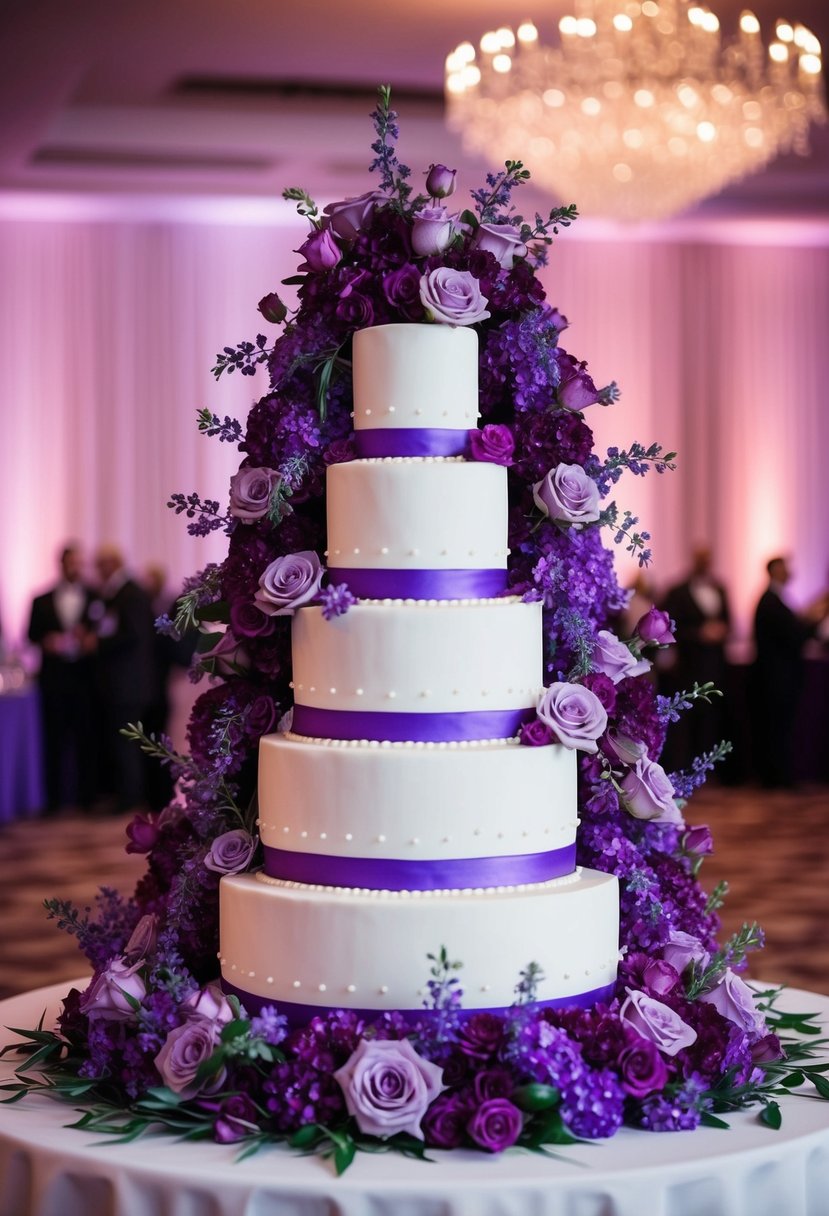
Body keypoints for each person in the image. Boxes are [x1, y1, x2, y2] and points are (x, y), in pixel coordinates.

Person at [27, 543, 98, 812]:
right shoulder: (40, 599)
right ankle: (53, 800)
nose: (76, 567)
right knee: (53, 740)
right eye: (72, 562)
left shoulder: (95, 597)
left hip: (85, 679)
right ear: (61, 564)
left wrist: (89, 639)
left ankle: (86, 799)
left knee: (86, 739)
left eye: (80, 563)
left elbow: (103, 631)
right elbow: (30, 635)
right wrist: (47, 641)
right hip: (53, 679)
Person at [90, 544, 156, 811]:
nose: (97, 570)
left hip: (127, 686)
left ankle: (128, 799)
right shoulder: (119, 593)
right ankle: (125, 796)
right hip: (122, 685)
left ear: (112, 563)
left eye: (100, 564)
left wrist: (98, 643)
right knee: (122, 743)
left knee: (125, 744)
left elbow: (134, 636)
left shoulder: (130, 594)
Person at [752, 555, 823, 788]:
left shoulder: (775, 599)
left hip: (778, 676)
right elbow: (792, 636)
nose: (789, 572)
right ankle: (778, 778)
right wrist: (813, 620)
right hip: (777, 677)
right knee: (778, 727)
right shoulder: (771, 601)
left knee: (779, 726)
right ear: (774, 571)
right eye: (784, 568)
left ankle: (778, 776)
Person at [662, 544, 731, 767]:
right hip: (688, 665)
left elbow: (728, 622)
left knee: (711, 717)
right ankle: (685, 765)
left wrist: (721, 631)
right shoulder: (677, 591)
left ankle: (708, 766)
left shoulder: (720, 589)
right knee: (686, 717)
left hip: (715, 665)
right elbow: (669, 627)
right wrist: (698, 634)